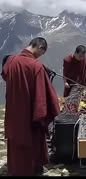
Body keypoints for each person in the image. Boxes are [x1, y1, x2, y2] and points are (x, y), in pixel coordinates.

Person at [1, 37, 60, 176]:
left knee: (16, 143)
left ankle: (14, 170)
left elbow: (5, 75)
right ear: (40, 47)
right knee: (31, 144)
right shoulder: (36, 66)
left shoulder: (11, 61)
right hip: (29, 115)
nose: (40, 56)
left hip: (14, 113)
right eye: (42, 53)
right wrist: (43, 115)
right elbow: (42, 96)